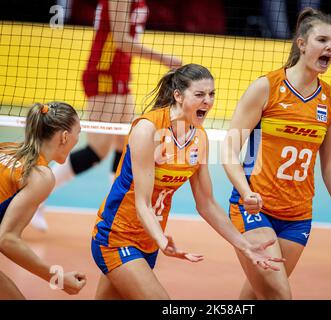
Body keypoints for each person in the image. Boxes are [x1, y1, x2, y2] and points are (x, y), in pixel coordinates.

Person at [221, 8, 331, 300]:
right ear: (301, 43)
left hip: (298, 216)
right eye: (322, 40)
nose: (330, 47)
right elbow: (228, 148)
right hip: (254, 210)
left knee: (258, 294)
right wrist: (245, 191)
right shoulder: (267, 87)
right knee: (279, 295)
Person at [91, 64, 284, 299]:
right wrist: (162, 240)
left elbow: (207, 204)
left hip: (149, 241)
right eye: (200, 94)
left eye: (211, 94)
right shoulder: (147, 129)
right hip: (116, 236)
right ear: (178, 95)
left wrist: (245, 246)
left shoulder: (199, 138)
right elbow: (142, 202)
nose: (208, 101)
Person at [31, 0, 182, 231]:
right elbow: (121, 40)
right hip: (103, 74)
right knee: (97, 150)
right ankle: (35, 198)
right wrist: (165, 59)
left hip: (121, 75)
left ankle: (118, 215)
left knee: (127, 147)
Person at [0, 102, 86, 299]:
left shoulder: (8, 149)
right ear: (65, 136)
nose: (77, 139)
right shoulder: (41, 176)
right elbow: (6, 239)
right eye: (77, 133)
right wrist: (59, 278)